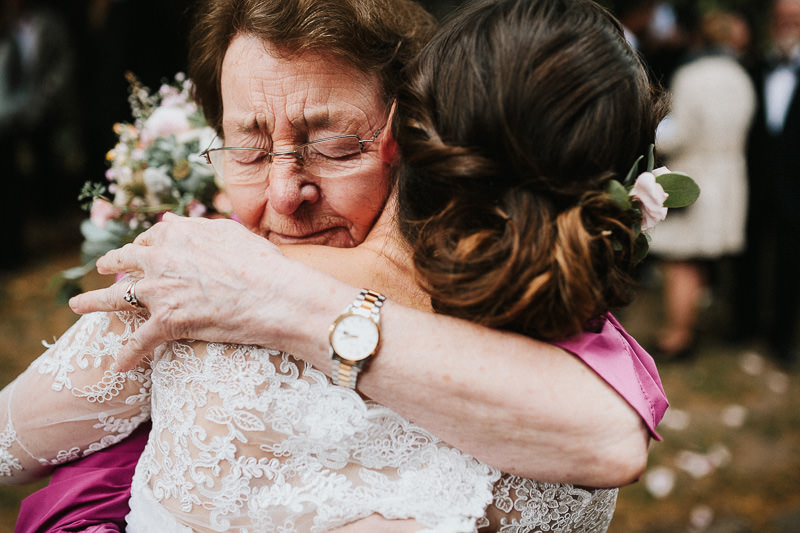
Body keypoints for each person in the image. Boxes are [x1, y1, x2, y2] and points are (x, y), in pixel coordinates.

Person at [3, 0, 672, 530]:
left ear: (407, 138)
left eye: (333, 146)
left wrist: (277, 298)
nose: (285, 197)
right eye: (248, 149)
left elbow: (608, 438)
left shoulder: (550, 360)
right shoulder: (186, 282)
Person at [649, 9, 756, 359]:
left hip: (694, 178)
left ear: (701, 38)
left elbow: (680, 134)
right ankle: (687, 330)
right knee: (697, 261)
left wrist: (652, 132)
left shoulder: (692, 75)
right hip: (729, 180)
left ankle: (677, 337)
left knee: (680, 260)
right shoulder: (741, 76)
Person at [734, 0, 800, 367]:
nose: (787, 25)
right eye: (781, 19)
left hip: (795, 186)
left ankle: (781, 338)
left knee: (790, 263)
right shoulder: (755, 67)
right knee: (748, 257)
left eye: (795, 19)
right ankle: (744, 325)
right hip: (755, 182)